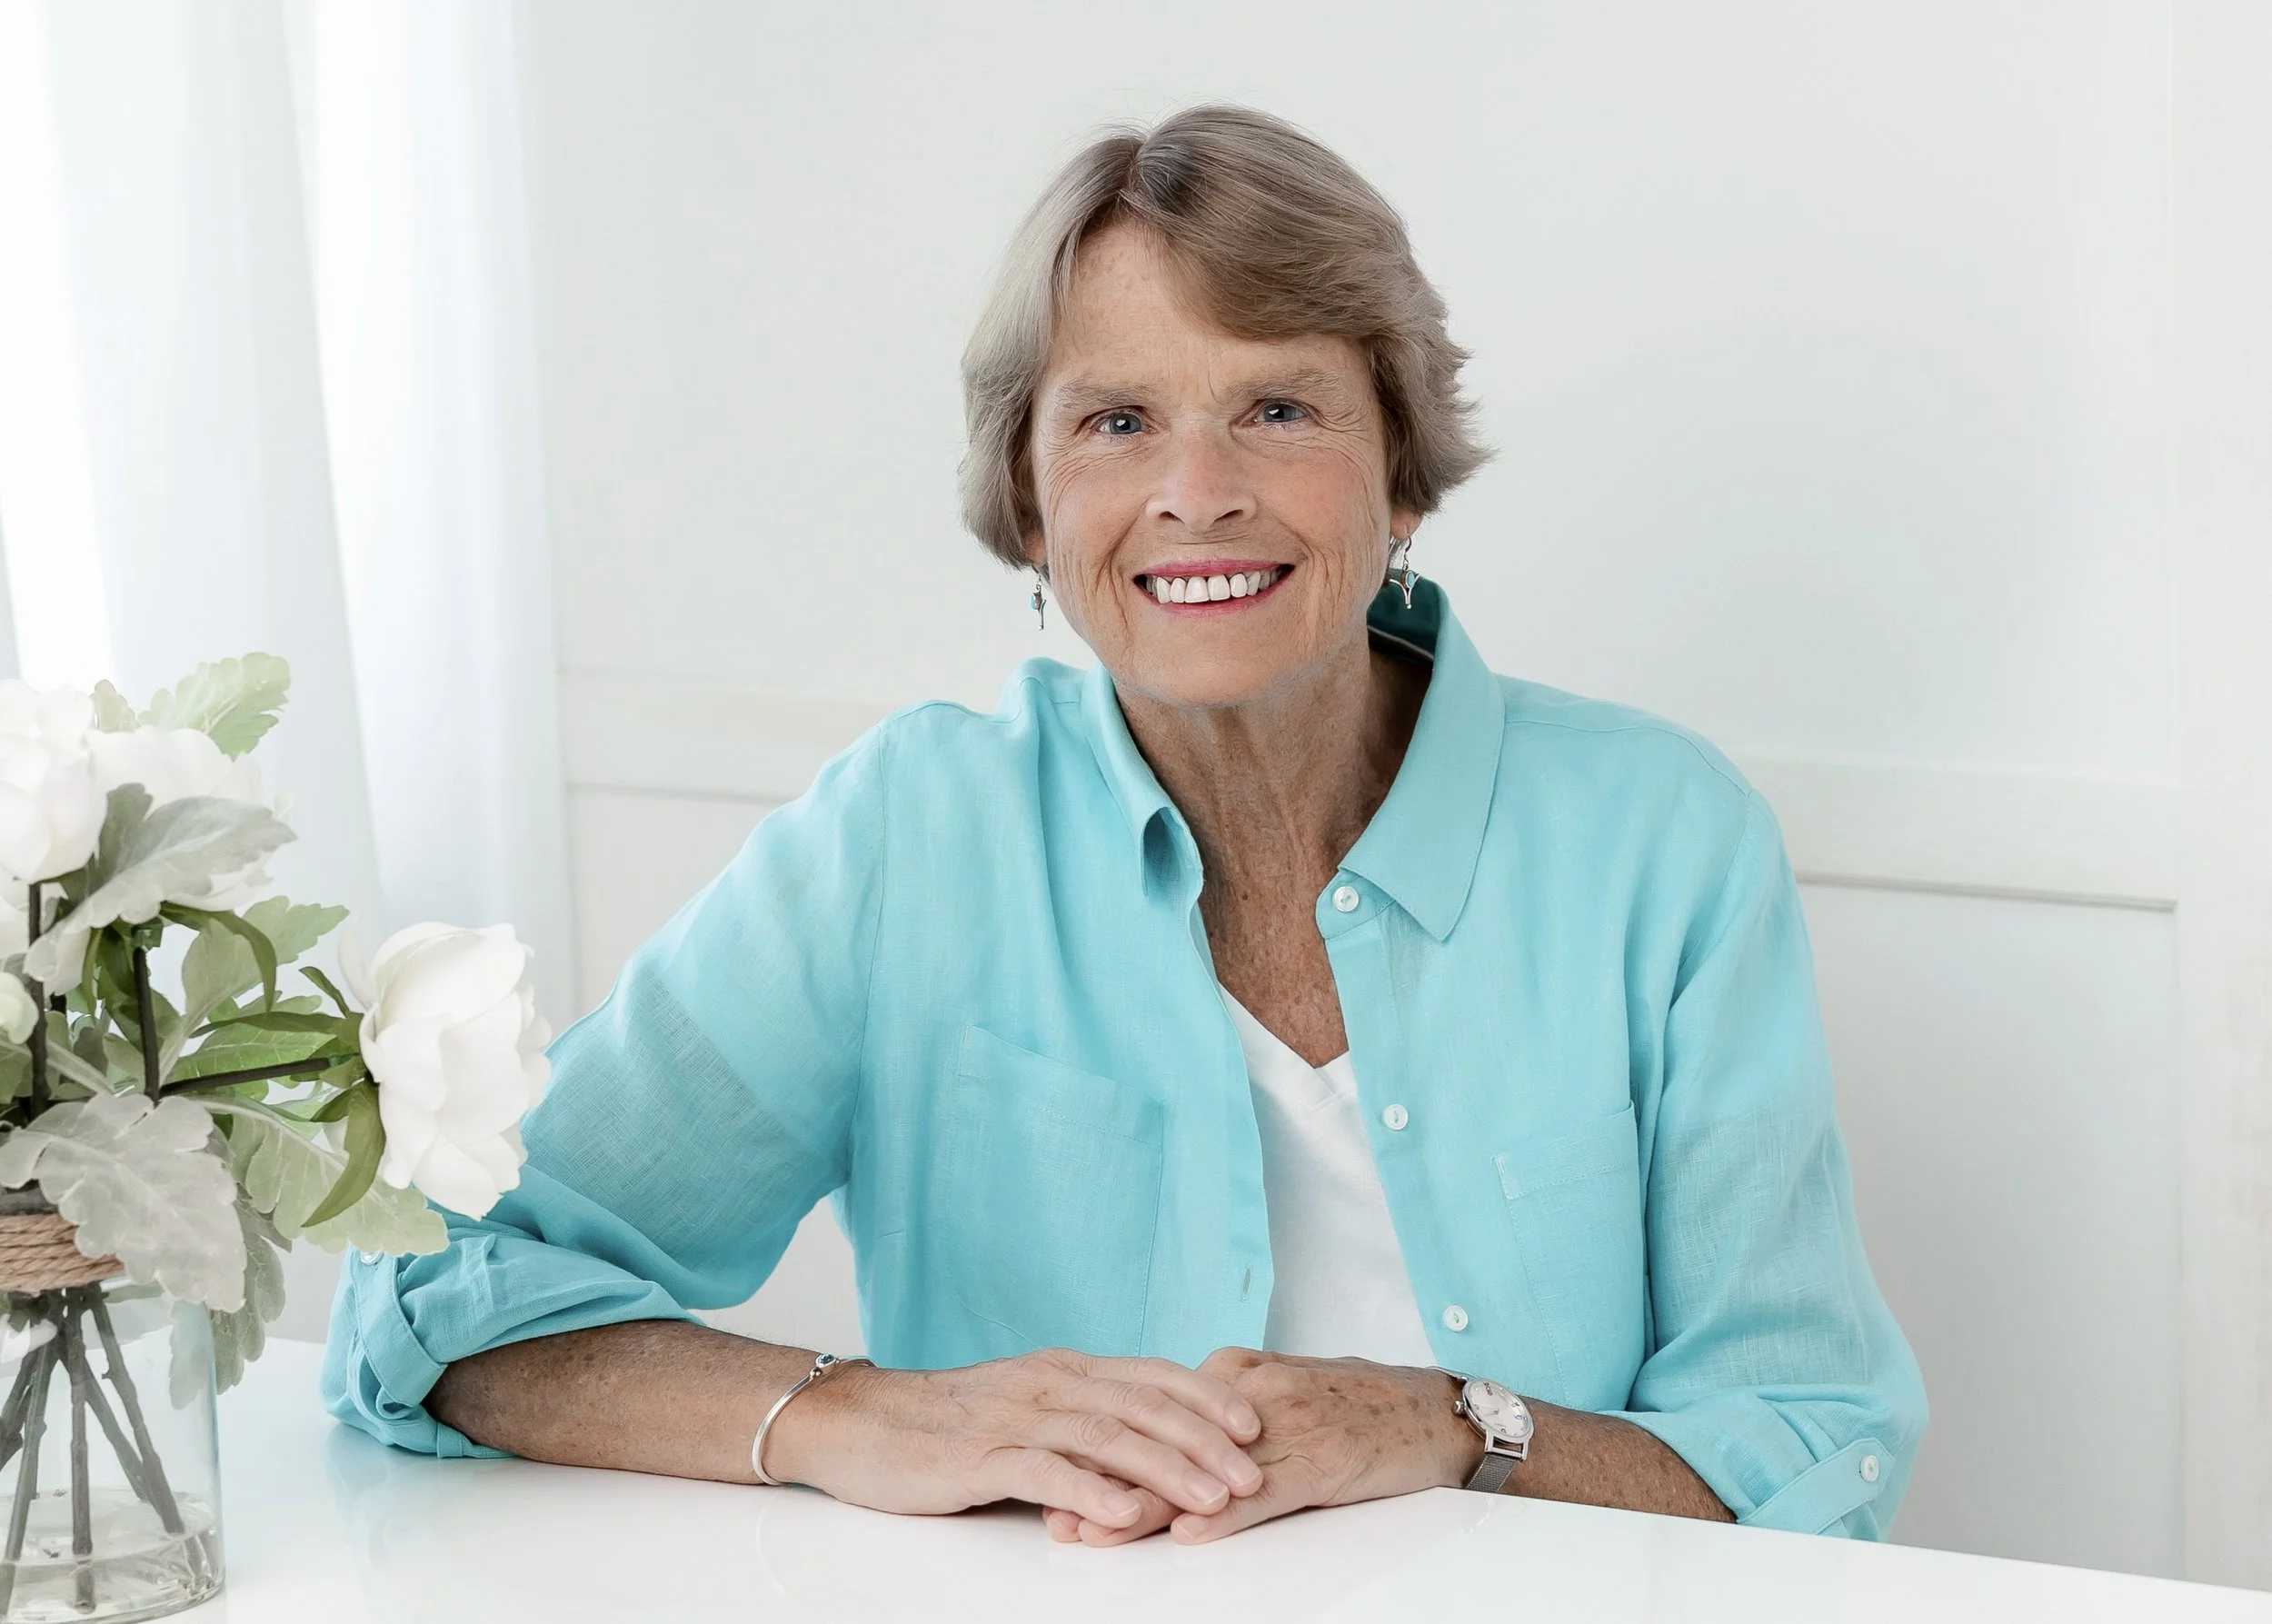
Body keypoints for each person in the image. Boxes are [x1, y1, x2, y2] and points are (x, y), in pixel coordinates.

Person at [324, 104, 1925, 1546]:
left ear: (1405, 477)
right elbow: (435, 1289)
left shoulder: (1662, 843)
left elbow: (1805, 1444)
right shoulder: (910, 837)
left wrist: (1452, 1428)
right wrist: (849, 1411)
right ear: (1029, 504)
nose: (1200, 490)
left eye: (1281, 409)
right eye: (1115, 422)